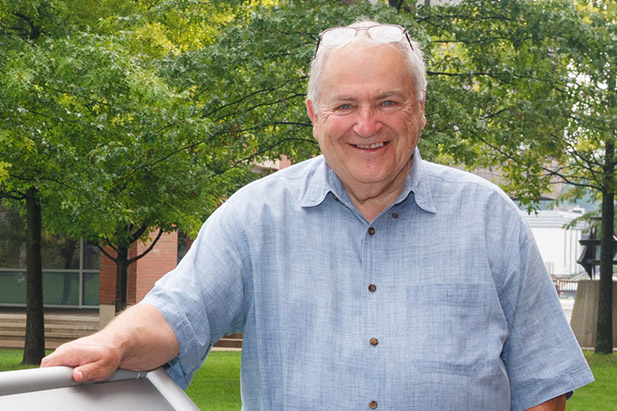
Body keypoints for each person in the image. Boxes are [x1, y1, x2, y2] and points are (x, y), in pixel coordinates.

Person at [42, 21, 593, 410]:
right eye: (345, 105)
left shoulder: (491, 218)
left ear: (421, 109)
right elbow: (174, 314)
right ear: (314, 115)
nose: (367, 124)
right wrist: (113, 342)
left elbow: (543, 382)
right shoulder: (254, 217)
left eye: (388, 102)